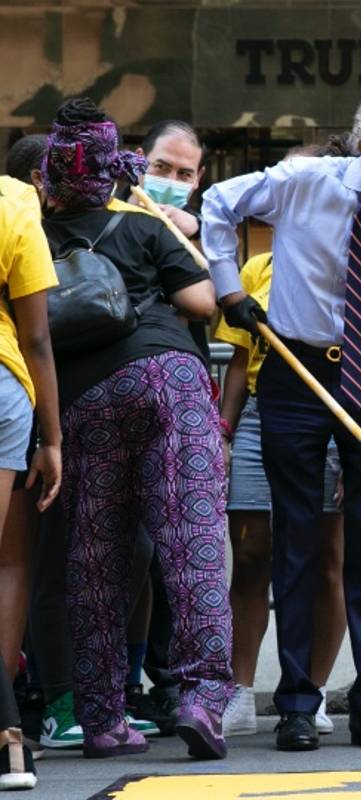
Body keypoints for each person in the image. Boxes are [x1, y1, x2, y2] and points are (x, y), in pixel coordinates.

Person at [203, 91, 361, 752]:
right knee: (297, 542)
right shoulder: (303, 184)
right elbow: (219, 203)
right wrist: (229, 289)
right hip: (292, 375)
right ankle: (298, 702)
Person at [39, 97, 231, 760]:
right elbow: (201, 303)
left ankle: (102, 721)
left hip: (82, 400)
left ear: (48, 176)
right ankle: (204, 700)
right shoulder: (144, 226)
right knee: (192, 544)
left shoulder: (27, 234)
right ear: (113, 169)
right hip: (171, 381)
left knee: (96, 563)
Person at [4, 134, 159, 751]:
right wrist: (52, 437)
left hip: (55, 410)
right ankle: (38, 706)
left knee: (113, 556)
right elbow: (37, 339)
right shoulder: (22, 220)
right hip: (31, 401)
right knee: (25, 561)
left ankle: (103, 693)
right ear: (39, 185)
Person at [217, 137, 354, 738]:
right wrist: (221, 433)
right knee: (249, 556)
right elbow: (238, 361)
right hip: (258, 420)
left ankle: (312, 691)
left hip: (332, 422)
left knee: (325, 562)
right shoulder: (256, 269)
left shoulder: (357, 264)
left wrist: (359, 448)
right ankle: (239, 690)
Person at [124, 119, 212, 736]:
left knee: (176, 552)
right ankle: (117, 684)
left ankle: (173, 682)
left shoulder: (197, 235)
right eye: (162, 168)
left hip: (185, 408)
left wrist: (191, 233)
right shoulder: (112, 221)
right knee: (121, 553)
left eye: (185, 174)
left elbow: (209, 300)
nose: (173, 182)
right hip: (118, 399)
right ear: (137, 162)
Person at [0, 168, 63, 790]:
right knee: (9, 561)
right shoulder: (14, 202)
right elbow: (36, 335)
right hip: (3, 385)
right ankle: (10, 738)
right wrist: (53, 438)